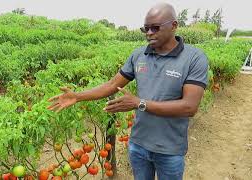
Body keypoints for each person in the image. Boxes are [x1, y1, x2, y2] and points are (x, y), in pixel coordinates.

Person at [47, 2, 208, 180]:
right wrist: (77, 96)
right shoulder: (139, 55)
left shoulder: (194, 58)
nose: (149, 33)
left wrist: (139, 103)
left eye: (155, 28)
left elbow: (189, 107)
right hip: (138, 145)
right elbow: (111, 85)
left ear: (174, 26)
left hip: (169, 150)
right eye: (145, 28)